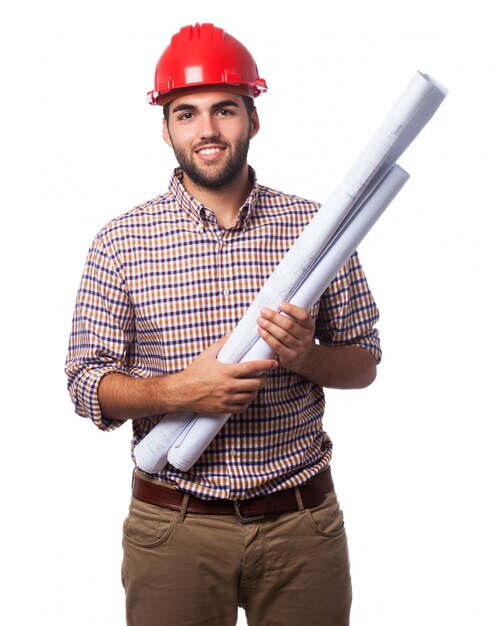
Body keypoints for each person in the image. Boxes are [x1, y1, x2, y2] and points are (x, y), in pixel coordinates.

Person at [65, 22, 381, 626]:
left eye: (225, 110)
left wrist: (307, 357)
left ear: (253, 119)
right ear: (165, 128)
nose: (207, 130)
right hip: (174, 530)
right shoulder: (120, 242)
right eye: (187, 114)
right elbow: (85, 384)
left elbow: (364, 359)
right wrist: (182, 389)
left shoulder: (317, 227)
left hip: (302, 527)